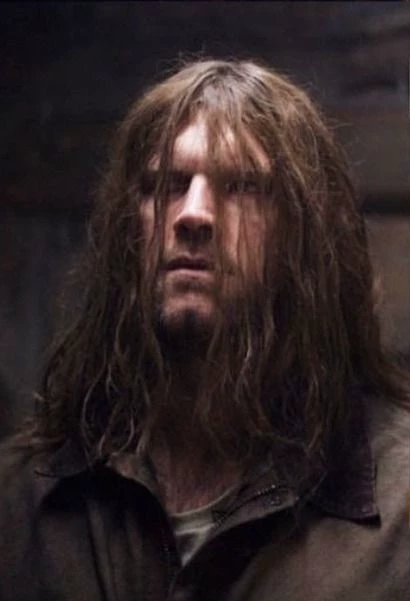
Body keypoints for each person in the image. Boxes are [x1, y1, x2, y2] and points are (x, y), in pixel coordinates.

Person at [0, 58, 409, 601]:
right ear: (129, 228)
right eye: (166, 184)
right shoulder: (20, 500)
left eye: (243, 186)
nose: (192, 213)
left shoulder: (400, 507)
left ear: (307, 238)